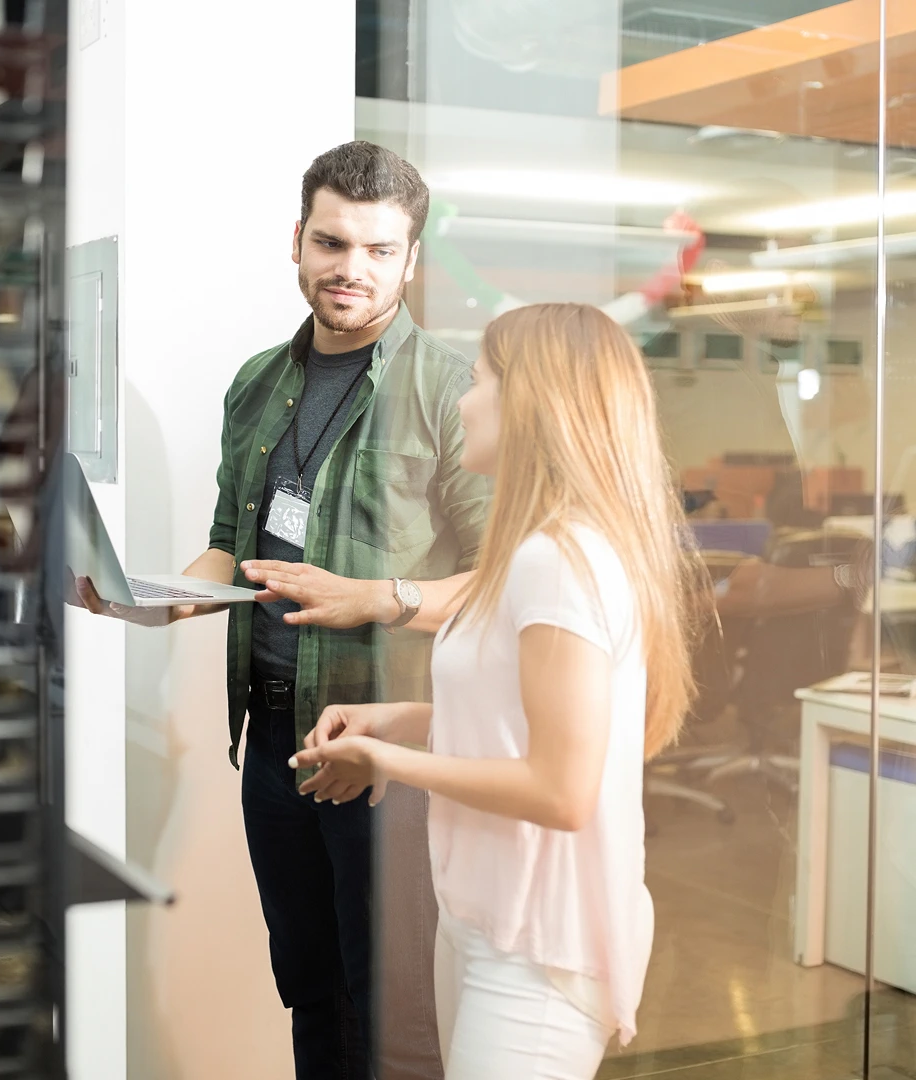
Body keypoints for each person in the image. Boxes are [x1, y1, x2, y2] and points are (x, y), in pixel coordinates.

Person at [72, 141, 491, 1079]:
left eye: (381, 250)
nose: (352, 269)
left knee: (397, 1014)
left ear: (411, 259)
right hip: (273, 740)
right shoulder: (258, 382)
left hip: (389, 750)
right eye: (333, 242)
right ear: (297, 240)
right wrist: (154, 600)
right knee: (309, 988)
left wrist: (380, 598)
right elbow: (232, 541)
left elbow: (502, 584)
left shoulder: (452, 392)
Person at [291, 303, 704, 1079]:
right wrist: (404, 721)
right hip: (484, 918)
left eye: (478, 382)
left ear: (529, 404)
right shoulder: (533, 553)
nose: (462, 401)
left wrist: (389, 759)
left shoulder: (560, 561)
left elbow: (560, 789)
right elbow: (519, 721)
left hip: (538, 949)